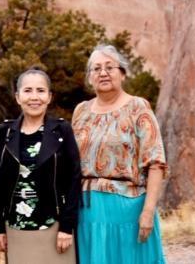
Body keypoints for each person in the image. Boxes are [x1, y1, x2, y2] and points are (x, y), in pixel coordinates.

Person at [72, 44, 167, 264]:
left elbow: (156, 163)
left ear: (122, 73)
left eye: (109, 67)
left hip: (128, 211)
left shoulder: (138, 107)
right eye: (96, 69)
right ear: (89, 77)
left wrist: (148, 212)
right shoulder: (81, 111)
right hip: (86, 211)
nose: (103, 73)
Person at [0, 68, 81, 264]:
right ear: (17, 97)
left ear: (49, 97)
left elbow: (74, 179)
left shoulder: (62, 130)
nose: (34, 97)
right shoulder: (4, 132)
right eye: (28, 90)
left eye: (40, 91)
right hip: (15, 228)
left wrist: (67, 226)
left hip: (55, 228)